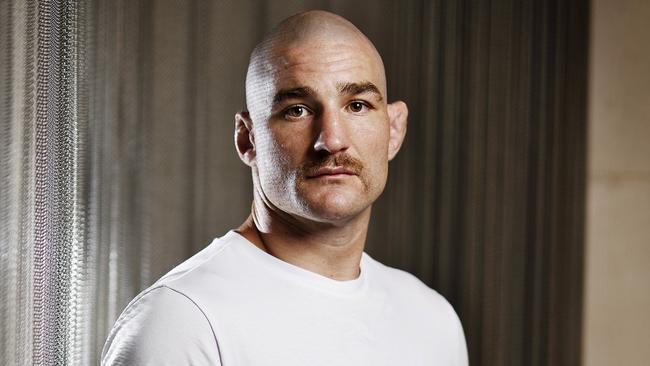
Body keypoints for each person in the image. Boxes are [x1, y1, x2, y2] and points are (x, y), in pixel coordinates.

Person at [101, 10, 468, 366]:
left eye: (357, 105)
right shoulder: (183, 322)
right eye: (297, 110)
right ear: (248, 139)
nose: (332, 140)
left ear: (394, 129)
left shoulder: (433, 321)